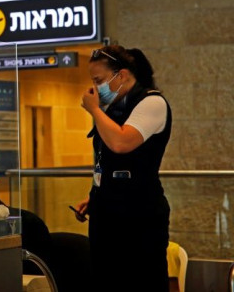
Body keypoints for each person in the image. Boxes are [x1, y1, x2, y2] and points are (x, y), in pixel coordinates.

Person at [74, 45, 172, 292]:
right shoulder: (115, 108)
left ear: (123, 75)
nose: (96, 88)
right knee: (107, 280)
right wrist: (95, 193)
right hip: (107, 213)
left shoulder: (152, 102)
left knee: (140, 280)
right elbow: (107, 158)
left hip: (139, 215)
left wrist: (95, 109)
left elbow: (121, 143)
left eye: (99, 80)